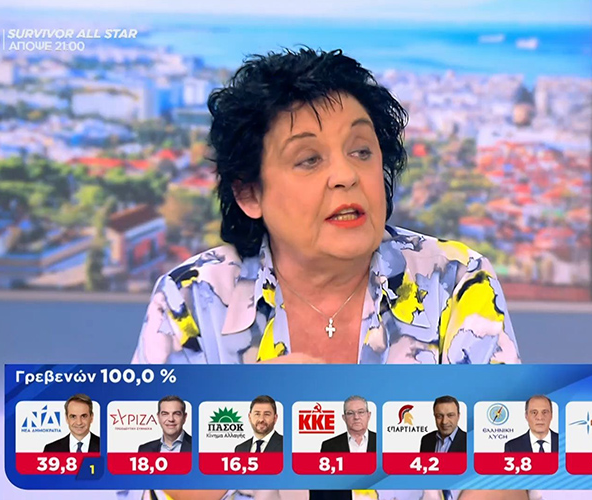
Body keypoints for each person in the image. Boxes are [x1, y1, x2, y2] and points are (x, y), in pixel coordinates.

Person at [127, 47, 528, 500]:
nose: (345, 175)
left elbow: (501, 480)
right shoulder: (190, 298)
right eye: (309, 159)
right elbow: (148, 483)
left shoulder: (456, 281)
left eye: (361, 151)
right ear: (250, 193)